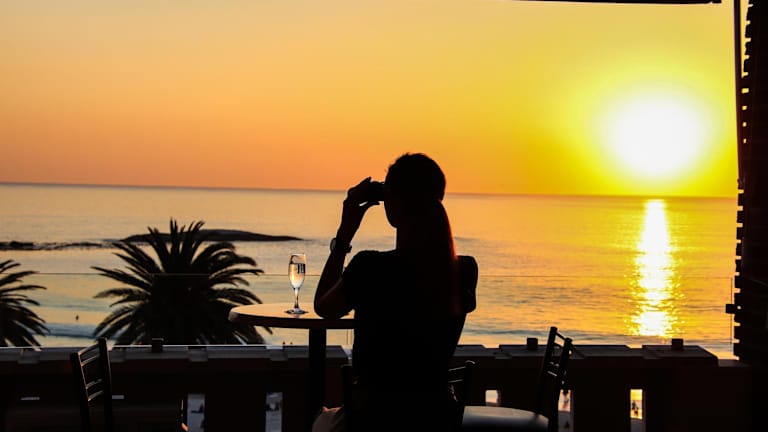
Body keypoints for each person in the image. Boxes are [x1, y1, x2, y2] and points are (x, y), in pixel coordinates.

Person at [313, 153, 477, 432]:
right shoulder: (465, 270)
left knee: (320, 420)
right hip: (437, 415)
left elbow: (324, 307)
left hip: (372, 416)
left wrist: (344, 234)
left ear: (394, 203)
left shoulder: (369, 267)